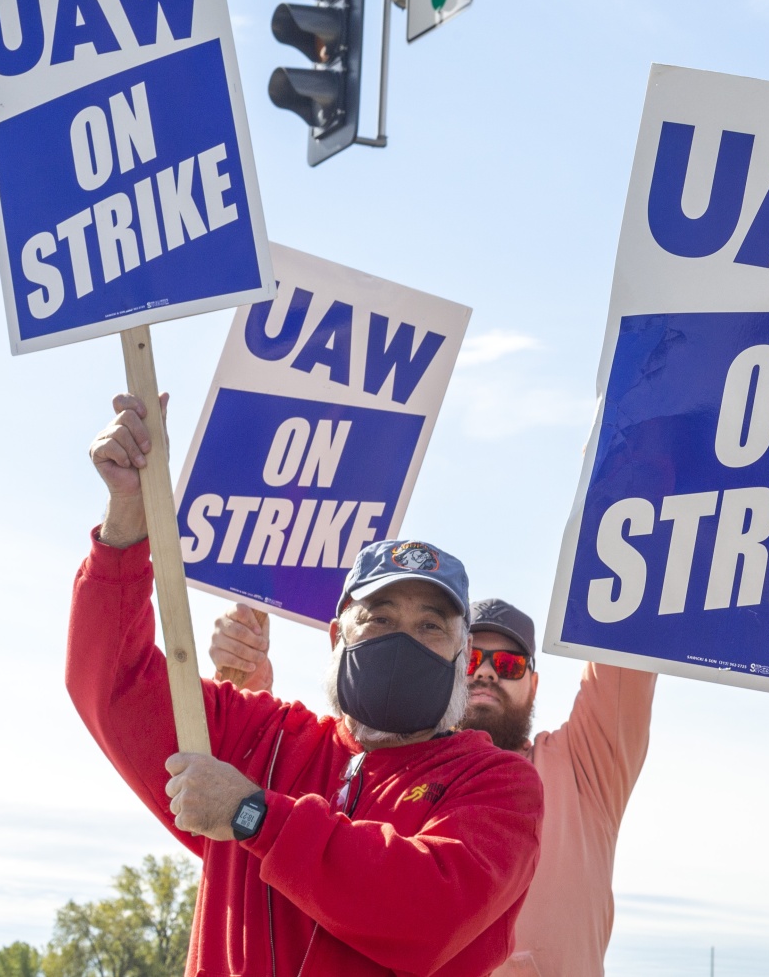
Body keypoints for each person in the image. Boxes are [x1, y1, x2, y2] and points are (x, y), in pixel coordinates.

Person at [70, 393, 544, 976]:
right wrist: (125, 526)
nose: (404, 640)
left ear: (463, 656)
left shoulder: (498, 785)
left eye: (430, 626)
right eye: (379, 619)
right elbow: (115, 685)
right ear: (335, 638)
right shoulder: (260, 738)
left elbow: (426, 910)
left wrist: (252, 816)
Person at [209, 595, 656, 977]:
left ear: (534, 684)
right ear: (445, 667)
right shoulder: (389, 765)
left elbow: (626, 652)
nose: (486, 674)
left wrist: (643, 504)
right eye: (472, 659)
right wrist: (242, 677)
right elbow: (276, 773)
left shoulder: (585, 767)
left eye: (507, 664)